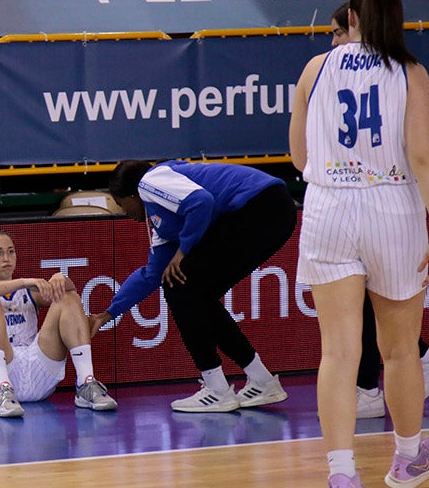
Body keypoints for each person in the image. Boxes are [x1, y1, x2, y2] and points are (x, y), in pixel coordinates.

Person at [290, 0, 429, 488]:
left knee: (338, 352)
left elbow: (296, 154)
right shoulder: (411, 72)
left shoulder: (316, 68)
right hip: (390, 206)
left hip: (328, 205)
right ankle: (407, 458)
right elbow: (424, 158)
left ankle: (342, 481)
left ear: (351, 19)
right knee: (400, 349)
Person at [328, 3, 429, 420]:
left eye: (336, 32)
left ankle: (375, 408)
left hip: (382, 203)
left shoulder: (397, 74)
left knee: (366, 329)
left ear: (354, 24)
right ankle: (394, 417)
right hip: (364, 206)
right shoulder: (340, 72)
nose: (333, 42)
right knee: (366, 309)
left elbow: (420, 154)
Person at [88, 159, 295, 413]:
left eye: (121, 204)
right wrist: (107, 314)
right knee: (196, 294)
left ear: (132, 194)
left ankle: (217, 389)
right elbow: (152, 275)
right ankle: (261, 380)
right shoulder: (162, 221)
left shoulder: (150, 182)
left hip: (260, 206)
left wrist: (183, 250)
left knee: (181, 288)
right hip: (273, 210)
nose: (123, 212)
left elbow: (202, 202)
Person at [0, 229, 117, 418]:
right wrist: (23, 281)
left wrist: (61, 279)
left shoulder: (29, 293)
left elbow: (70, 291)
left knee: (67, 297)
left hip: (35, 371)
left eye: (11, 251)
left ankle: (86, 383)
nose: (6, 258)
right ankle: (2, 390)